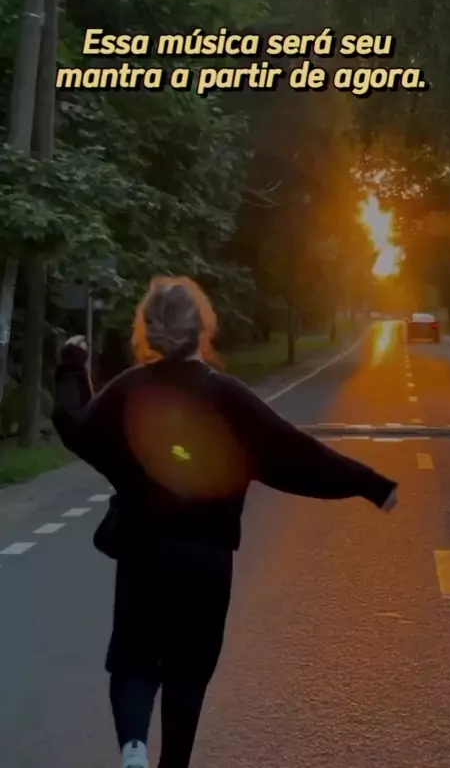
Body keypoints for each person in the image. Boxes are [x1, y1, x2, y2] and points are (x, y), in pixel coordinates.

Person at [52, 275, 398, 768]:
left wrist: (72, 367)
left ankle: (133, 751)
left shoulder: (129, 390)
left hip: (144, 553)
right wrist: (370, 484)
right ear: (202, 329)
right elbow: (298, 455)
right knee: (187, 672)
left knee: (135, 660)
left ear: (147, 331)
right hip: (208, 560)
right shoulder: (229, 397)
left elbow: (78, 427)